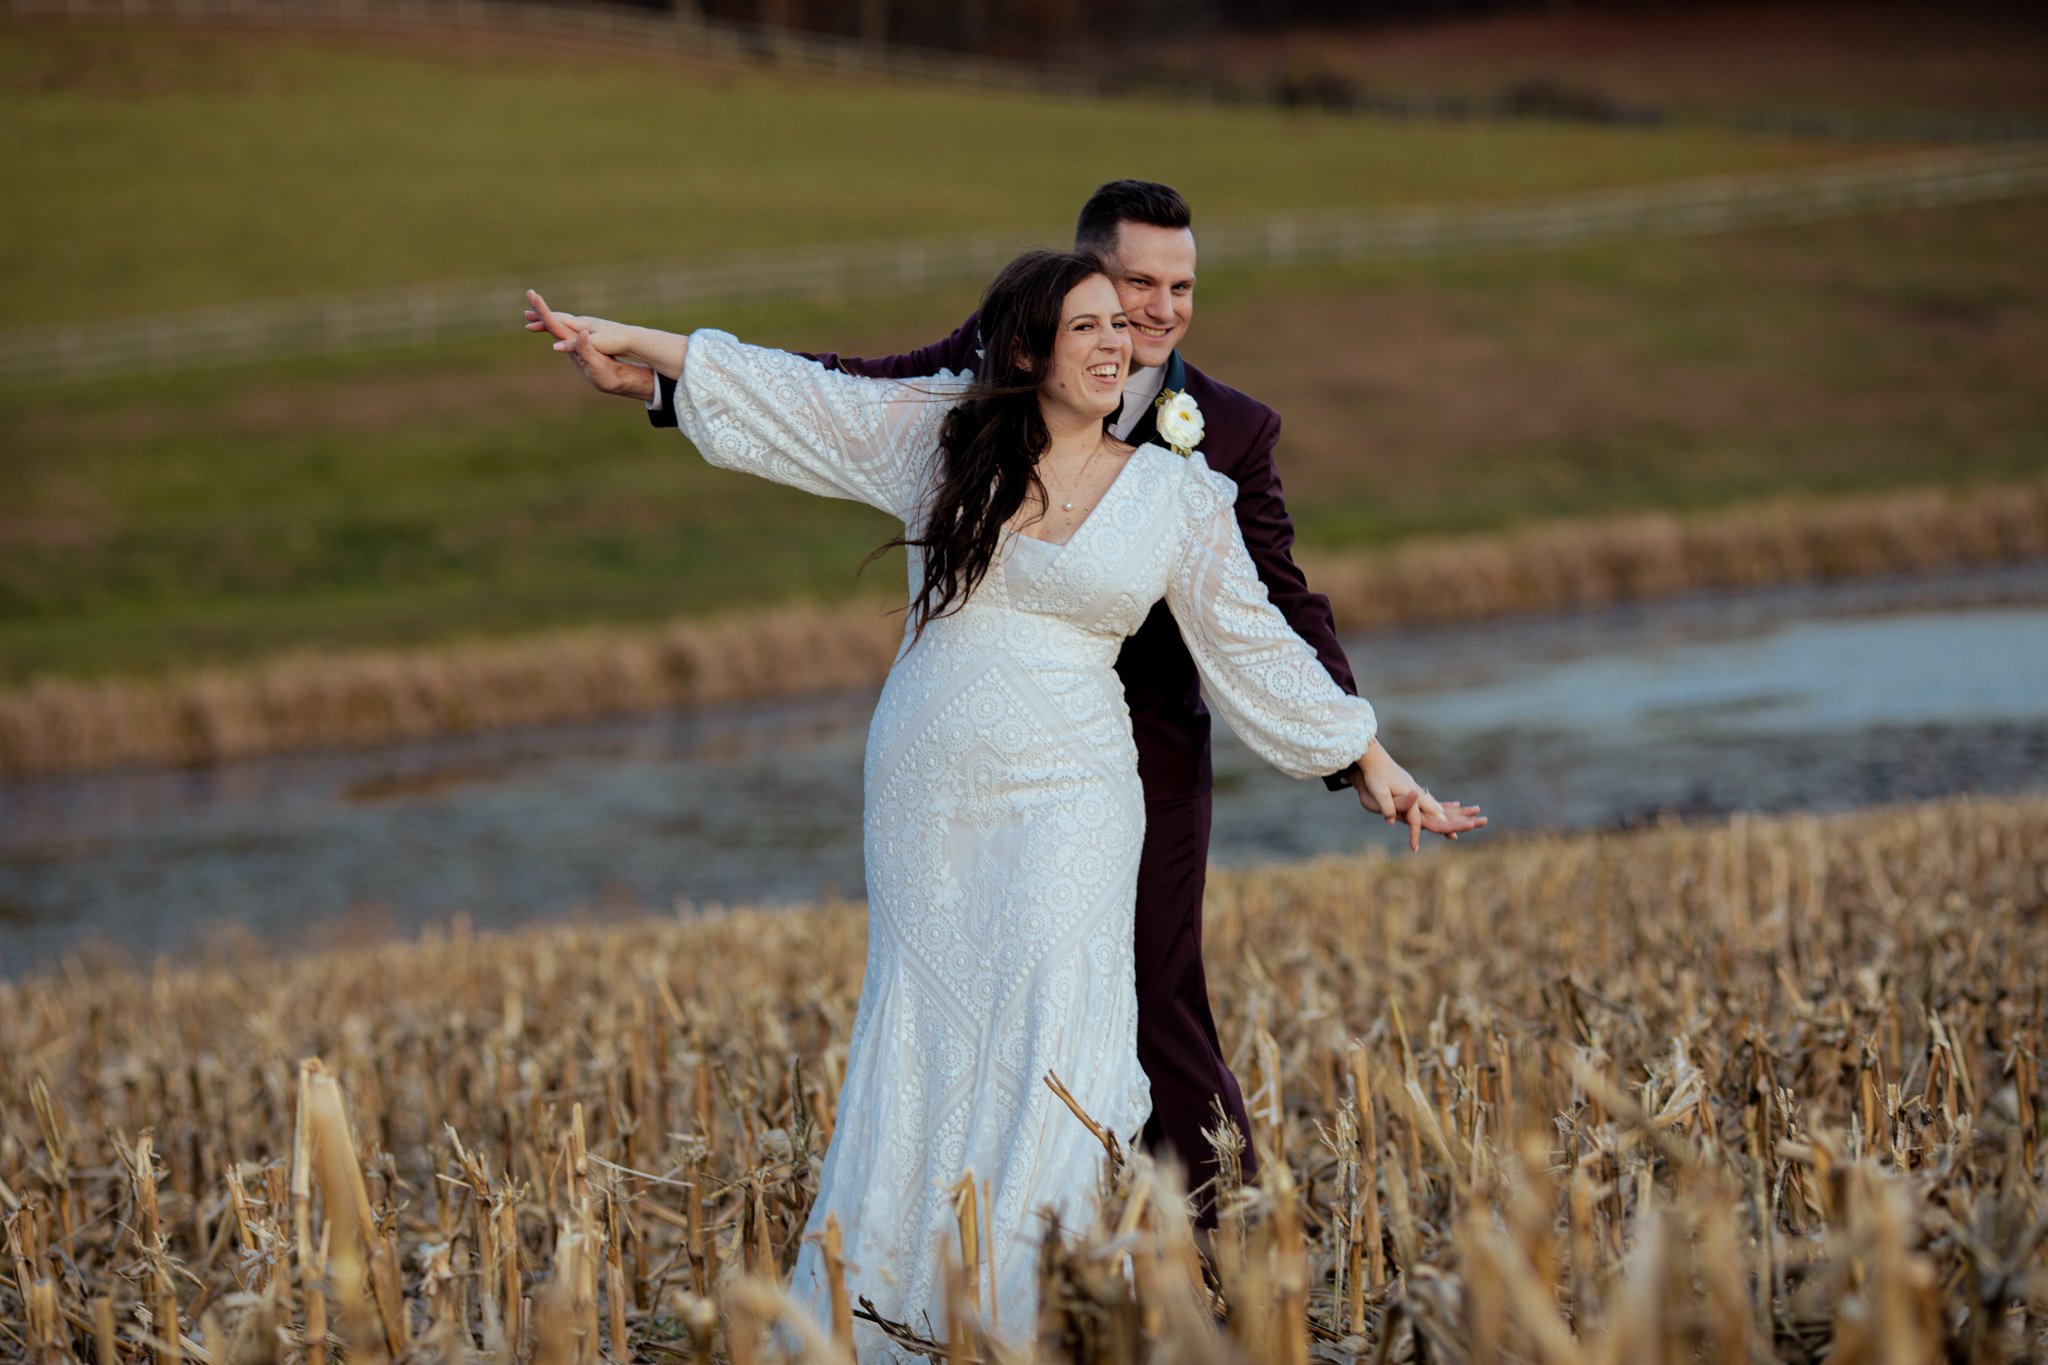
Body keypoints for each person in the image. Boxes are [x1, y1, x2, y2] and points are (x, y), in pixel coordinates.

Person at [525, 247, 1480, 1352]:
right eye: (1087, 327)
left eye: (1121, 328)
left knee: (1057, 1028)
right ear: (1025, 349)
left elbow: (1253, 642)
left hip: (1073, 789)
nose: (1117, 343)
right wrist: (646, 356)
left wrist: (1369, 761)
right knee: (923, 1027)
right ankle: (891, 1310)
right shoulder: (946, 441)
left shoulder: (1176, 493)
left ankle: (1027, 1309)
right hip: (927, 790)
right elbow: (811, 402)